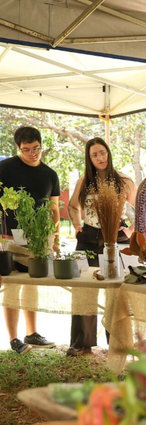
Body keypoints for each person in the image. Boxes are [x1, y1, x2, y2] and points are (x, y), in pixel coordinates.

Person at [67, 138, 136, 356]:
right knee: (84, 289)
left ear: (109, 153)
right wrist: (77, 224)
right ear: (89, 158)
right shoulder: (84, 181)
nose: (100, 158)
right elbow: (72, 205)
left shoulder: (124, 180)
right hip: (88, 238)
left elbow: (139, 208)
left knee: (116, 290)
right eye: (95, 154)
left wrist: (131, 229)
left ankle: (117, 343)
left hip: (117, 236)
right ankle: (81, 343)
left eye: (103, 153)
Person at [0, 126, 59, 354]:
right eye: (26, 150)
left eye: (36, 149)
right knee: (12, 285)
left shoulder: (50, 174)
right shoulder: (4, 169)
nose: (32, 154)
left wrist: (55, 238)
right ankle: (14, 339)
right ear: (17, 148)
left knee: (33, 282)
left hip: (38, 238)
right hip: (7, 237)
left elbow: (54, 209)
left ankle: (32, 333)